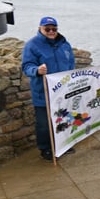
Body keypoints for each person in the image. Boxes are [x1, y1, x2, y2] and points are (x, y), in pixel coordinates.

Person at [21, 17, 75, 161]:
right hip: (43, 91)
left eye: (54, 29)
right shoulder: (32, 45)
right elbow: (26, 66)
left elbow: (71, 63)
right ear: (40, 28)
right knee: (44, 123)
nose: (51, 31)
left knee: (63, 117)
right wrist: (37, 70)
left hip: (62, 91)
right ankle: (45, 149)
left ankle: (63, 143)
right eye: (47, 29)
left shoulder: (64, 44)